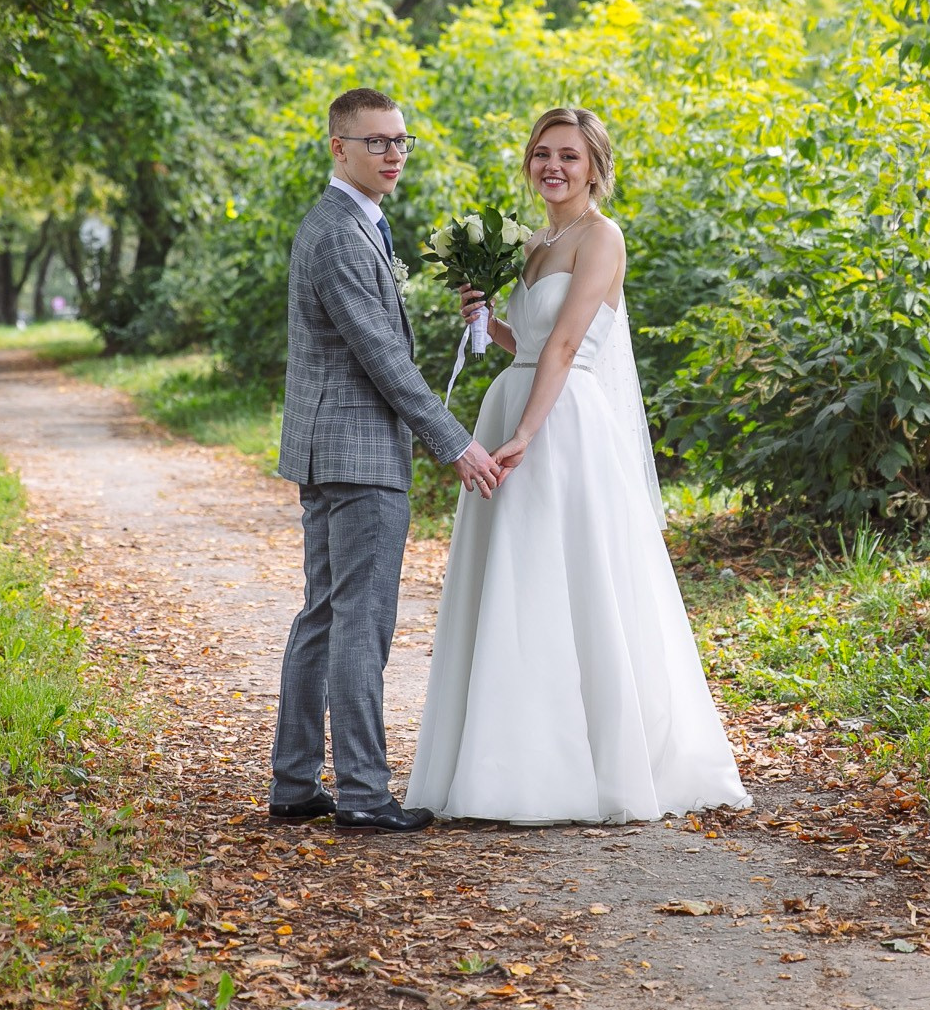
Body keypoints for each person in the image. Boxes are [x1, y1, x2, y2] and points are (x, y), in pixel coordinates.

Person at [405, 107, 751, 825]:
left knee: (564, 577)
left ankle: (587, 762)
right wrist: (484, 321)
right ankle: (502, 760)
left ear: (595, 166)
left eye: (568, 155)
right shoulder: (535, 241)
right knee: (513, 578)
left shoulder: (601, 237)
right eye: (541, 153)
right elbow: (528, 342)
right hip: (517, 401)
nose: (552, 165)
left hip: (561, 424)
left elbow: (566, 347)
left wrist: (527, 431)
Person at [272, 87, 503, 836]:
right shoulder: (339, 231)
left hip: (332, 448)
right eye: (376, 141)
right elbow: (380, 356)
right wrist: (456, 441)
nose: (393, 153)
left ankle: (295, 781)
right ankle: (366, 794)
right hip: (359, 454)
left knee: (325, 614)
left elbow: (373, 344)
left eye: (401, 140)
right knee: (358, 623)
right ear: (338, 147)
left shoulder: (354, 222)